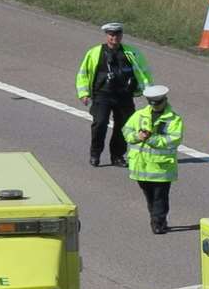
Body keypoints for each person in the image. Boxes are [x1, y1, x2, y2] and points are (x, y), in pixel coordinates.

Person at [76, 22, 152, 167]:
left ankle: (117, 156)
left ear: (121, 35)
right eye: (111, 35)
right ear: (107, 36)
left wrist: (149, 92)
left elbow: (144, 73)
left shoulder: (132, 53)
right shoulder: (95, 52)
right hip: (102, 94)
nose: (114, 38)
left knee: (124, 127)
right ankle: (95, 153)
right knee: (100, 123)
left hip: (124, 95)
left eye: (117, 34)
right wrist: (84, 93)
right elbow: (83, 73)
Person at [124, 85, 182, 234]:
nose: (155, 106)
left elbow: (173, 140)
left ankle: (158, 223)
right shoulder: (139, 115)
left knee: (160, 197)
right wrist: (137, 137)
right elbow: (127, 130)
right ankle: (155, 218)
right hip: (141, 166)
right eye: (151, 103)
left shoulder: (174, 119)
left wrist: (151, 138)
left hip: (161, 167)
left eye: (158, 103)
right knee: (149, 197)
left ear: (165, 100)